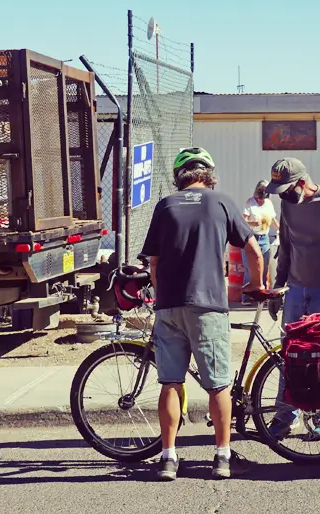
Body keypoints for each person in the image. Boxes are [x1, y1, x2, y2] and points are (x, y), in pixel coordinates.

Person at [140, 147, 265, 481]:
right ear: (209, 174)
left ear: (179, 176)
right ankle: (222, 458)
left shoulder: (165, 205)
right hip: (208, 305)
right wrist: (256, 285)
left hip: (169, 306)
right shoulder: (221, 201)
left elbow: (152, 262)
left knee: (170, 382)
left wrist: (163, 292)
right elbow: (252, 249)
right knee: (218, 386)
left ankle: (168, 459)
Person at [264, 157, 320, 440]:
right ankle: (284, 416)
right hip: (294, 289)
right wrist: (277, 288)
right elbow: (286, 250)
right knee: (288, 354)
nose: (285, 196)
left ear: (303, 183)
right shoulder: (288, 204)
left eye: (288, 190)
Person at [241, 180, 279, 305]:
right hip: (252, 238)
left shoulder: (268, 203)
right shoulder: (250, 203)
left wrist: (280, 230)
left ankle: (260, 296)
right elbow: (242, 221)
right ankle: (247, 297)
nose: (262, 199)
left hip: (264, 238)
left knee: (264, 267)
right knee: (250, 268)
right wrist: (251, 223)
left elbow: (273, 219)